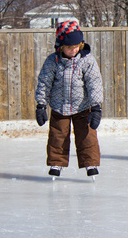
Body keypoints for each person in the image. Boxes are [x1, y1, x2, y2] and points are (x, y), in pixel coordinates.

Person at [35, 20, 103, 178]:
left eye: (76, 47)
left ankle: (90, 163)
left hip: (83, 107)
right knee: (57, 136)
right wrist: (41, 105)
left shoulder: (87, 61)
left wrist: (96, 107)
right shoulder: (52, 61)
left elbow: (95, 84)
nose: (73, 50)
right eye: (69, 47)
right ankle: (56, 163)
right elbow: (44, 83)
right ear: (60, 46)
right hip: (59, 107)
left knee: (87, 136)